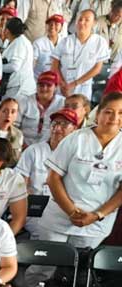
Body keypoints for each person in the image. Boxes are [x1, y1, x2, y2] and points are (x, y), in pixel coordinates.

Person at [37, 91, 122, 248]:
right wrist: (71, 211)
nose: (114, 118)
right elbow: (53, 178)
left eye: (121, 113)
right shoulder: (76, 138)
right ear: (97, 115)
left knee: (81, 270)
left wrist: (97, 215)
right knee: (44, 269)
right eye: (108, 112)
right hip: (60, 218)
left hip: (96, 225)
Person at [53, 10, 110, 98]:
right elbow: (54, 66)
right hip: (62, 88)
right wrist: (63, 84)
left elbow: (97, 68)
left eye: (87, 20)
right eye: (79, 19)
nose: (82, 22)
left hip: (83, 89)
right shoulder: (65, 41)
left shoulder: (99, 42)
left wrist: (74, 84)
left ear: (94, 23)